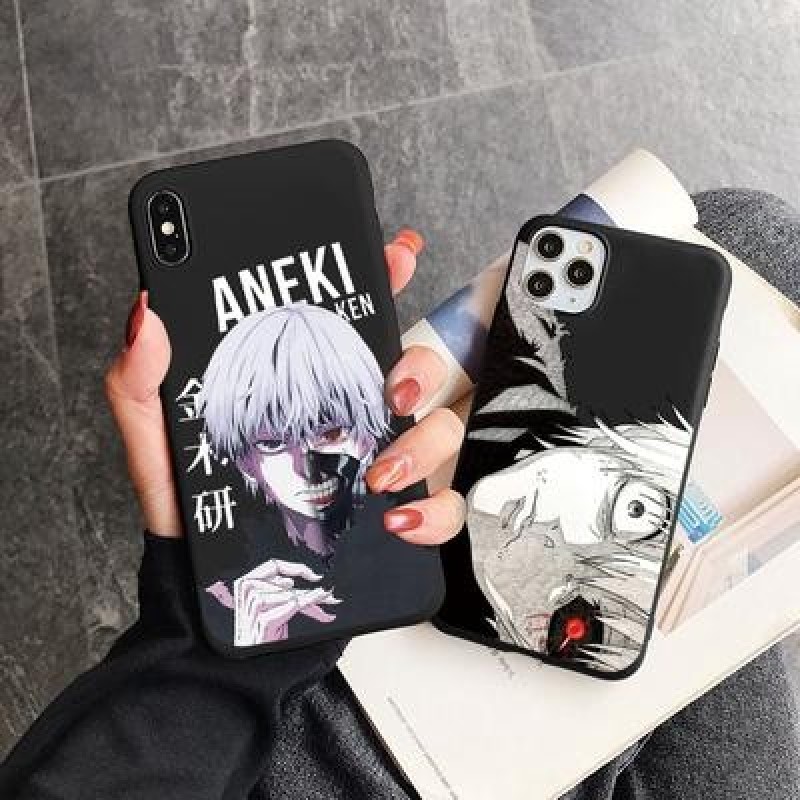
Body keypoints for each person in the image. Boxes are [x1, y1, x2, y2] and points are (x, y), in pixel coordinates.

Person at [1, 197, 799, 799]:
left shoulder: (268, 588)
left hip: (251, 702)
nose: (311, 460)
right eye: (274, 439)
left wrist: (212, 619)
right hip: (355, 748)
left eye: (328, 422)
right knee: (749, 242)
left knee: (742, 243)